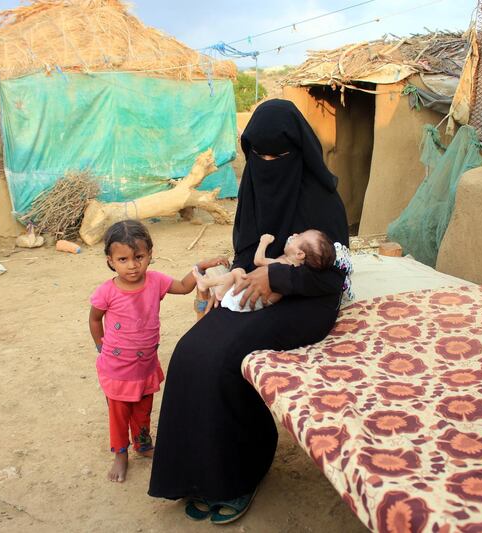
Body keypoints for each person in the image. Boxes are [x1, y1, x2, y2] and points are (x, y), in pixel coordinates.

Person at [149, 99, 350, 524]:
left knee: (228, 358)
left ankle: (240, 476)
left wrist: (277, 279)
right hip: (254, 290)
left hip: (306, 301)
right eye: (260, 155)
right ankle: (193, 476)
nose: (270, 164)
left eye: (280, 155)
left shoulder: (322, 199)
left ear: (299, 150)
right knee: (191, 351)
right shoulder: (254, 187)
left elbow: (333, 278)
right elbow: (246, 244)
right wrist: (239, 270)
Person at [88, 219, 227, 483]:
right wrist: (100, 344)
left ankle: (142, 444)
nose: (132, 265)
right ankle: (120, 454)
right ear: (110, 260)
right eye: (123, 259)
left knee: (143, 410)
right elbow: (95, 319)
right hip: (116, 370)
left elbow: (185, 286)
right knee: (119, 415)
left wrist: (200, 267)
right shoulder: (106, 292)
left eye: (139, 257)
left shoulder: (156, 281)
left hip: (145, 367)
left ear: (150, 255)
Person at [192, 229, 337, 312]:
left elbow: (258, 260)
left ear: (299, 254)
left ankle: (208, 285)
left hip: (241, 300)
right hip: (250, 304)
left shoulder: (282, 265)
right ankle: (219, 292)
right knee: (238, 275)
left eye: (297, 238)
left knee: (236, 273)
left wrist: (264, 242)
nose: (293, 235)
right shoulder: (293, 270)